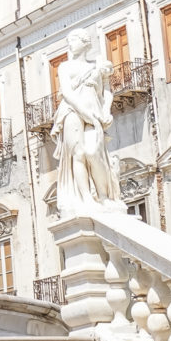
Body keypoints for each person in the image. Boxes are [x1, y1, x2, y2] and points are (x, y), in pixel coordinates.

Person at [52, 30, 119, 217]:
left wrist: (106, 110)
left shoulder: (97, 66)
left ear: (84, 42)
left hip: (94, 113)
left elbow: (106, 90)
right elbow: (66, 92)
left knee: (93, 152)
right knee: (78, 153)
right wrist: (83, 111)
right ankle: (86, 198)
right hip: (72, 111)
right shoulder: (64, 67)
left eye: (73, 40)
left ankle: (104, 196)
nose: (70, 44)